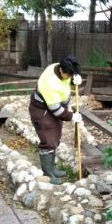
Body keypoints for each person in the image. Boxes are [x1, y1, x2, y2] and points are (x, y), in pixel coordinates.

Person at [29, 56, 83, 184]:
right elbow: (56, 109)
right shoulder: (50, 82)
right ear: (61, 70)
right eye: (68, 75)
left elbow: (64, 82)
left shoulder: (61, 68)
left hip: (53, 109)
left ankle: (52, 168)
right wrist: (71, 116)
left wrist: (73, 80)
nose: (69, 77)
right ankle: (48, 174)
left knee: (55, 137)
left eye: (72, 75)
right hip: (42, 111)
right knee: (47, 140)